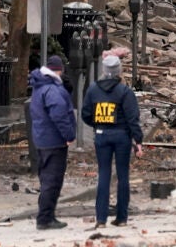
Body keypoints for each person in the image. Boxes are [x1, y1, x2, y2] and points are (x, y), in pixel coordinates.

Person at [81, 54, 144, 228]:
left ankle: (101, 219)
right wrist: (138, 140)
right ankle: (122, 218)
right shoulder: (125, 91)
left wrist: (98, 124)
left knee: (104, 174)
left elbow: (85, 114)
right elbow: (133, 119)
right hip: (122, 136)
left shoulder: (93, 89)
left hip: (102, 135)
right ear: (119, 72)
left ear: (104, 70)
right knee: (123, 176)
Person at [29, 55, 76, 231]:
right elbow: (59, 115)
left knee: (46, 180)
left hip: (42, 139)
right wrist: (69, 135)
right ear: (60, 70)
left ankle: (47, 216)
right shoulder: (52, 90)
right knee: (52, 181)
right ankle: (45, 219)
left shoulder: (39, 87)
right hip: (54, 141)